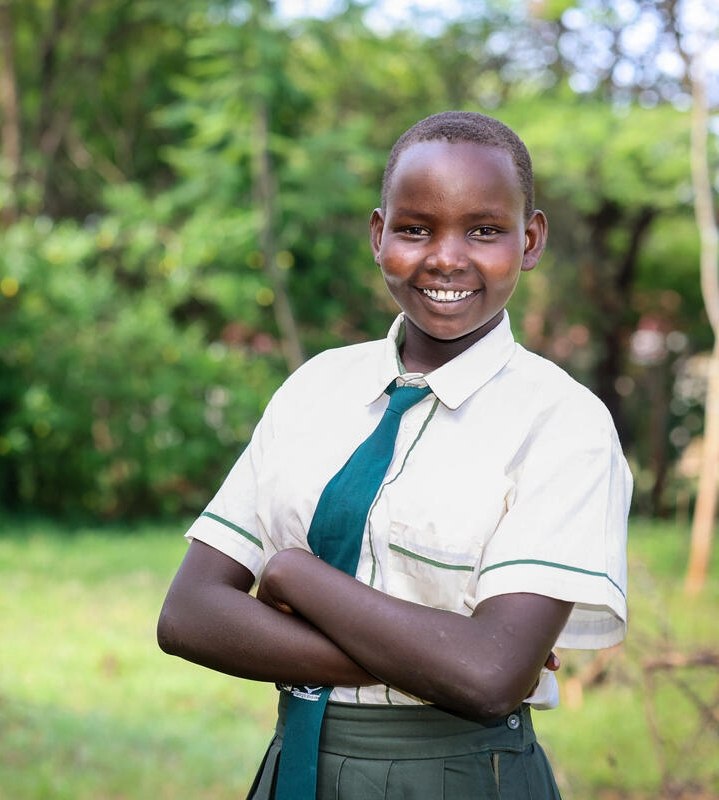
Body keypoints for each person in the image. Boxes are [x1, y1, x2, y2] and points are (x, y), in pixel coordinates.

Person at [157, 110, 630, 800]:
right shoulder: (315, 388)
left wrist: (292, 577)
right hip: (297, 767)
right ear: (379, 236)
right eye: (416, 229)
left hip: (461, 776)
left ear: (529, 241)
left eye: (484, 230)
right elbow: (189, 614)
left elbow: (488, 679)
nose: (446, 257)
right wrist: (437, 657)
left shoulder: (562, 425)